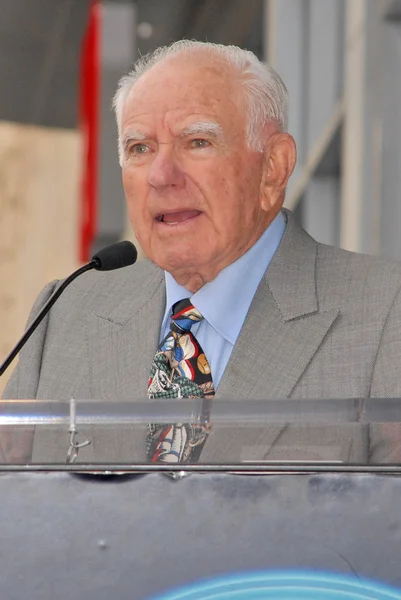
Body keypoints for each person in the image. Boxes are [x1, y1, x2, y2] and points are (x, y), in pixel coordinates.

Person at [3, 41, 401, 463]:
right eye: (140, 148)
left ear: (274, 167)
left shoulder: (385, 311)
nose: (161, 175)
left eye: (196, 142)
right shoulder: (66, 314)